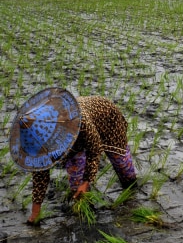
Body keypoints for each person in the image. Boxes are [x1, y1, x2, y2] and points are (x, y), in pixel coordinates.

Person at [9, 88, 138, 225]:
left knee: (122, 164)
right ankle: (85, 209)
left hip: (108, 119)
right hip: (75, 142)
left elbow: (95, 150)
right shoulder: (38, 141)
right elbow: (40, 175)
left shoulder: (81, 121)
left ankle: (132, 191)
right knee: (77, 183)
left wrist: (87, 181)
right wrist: (35, 212)